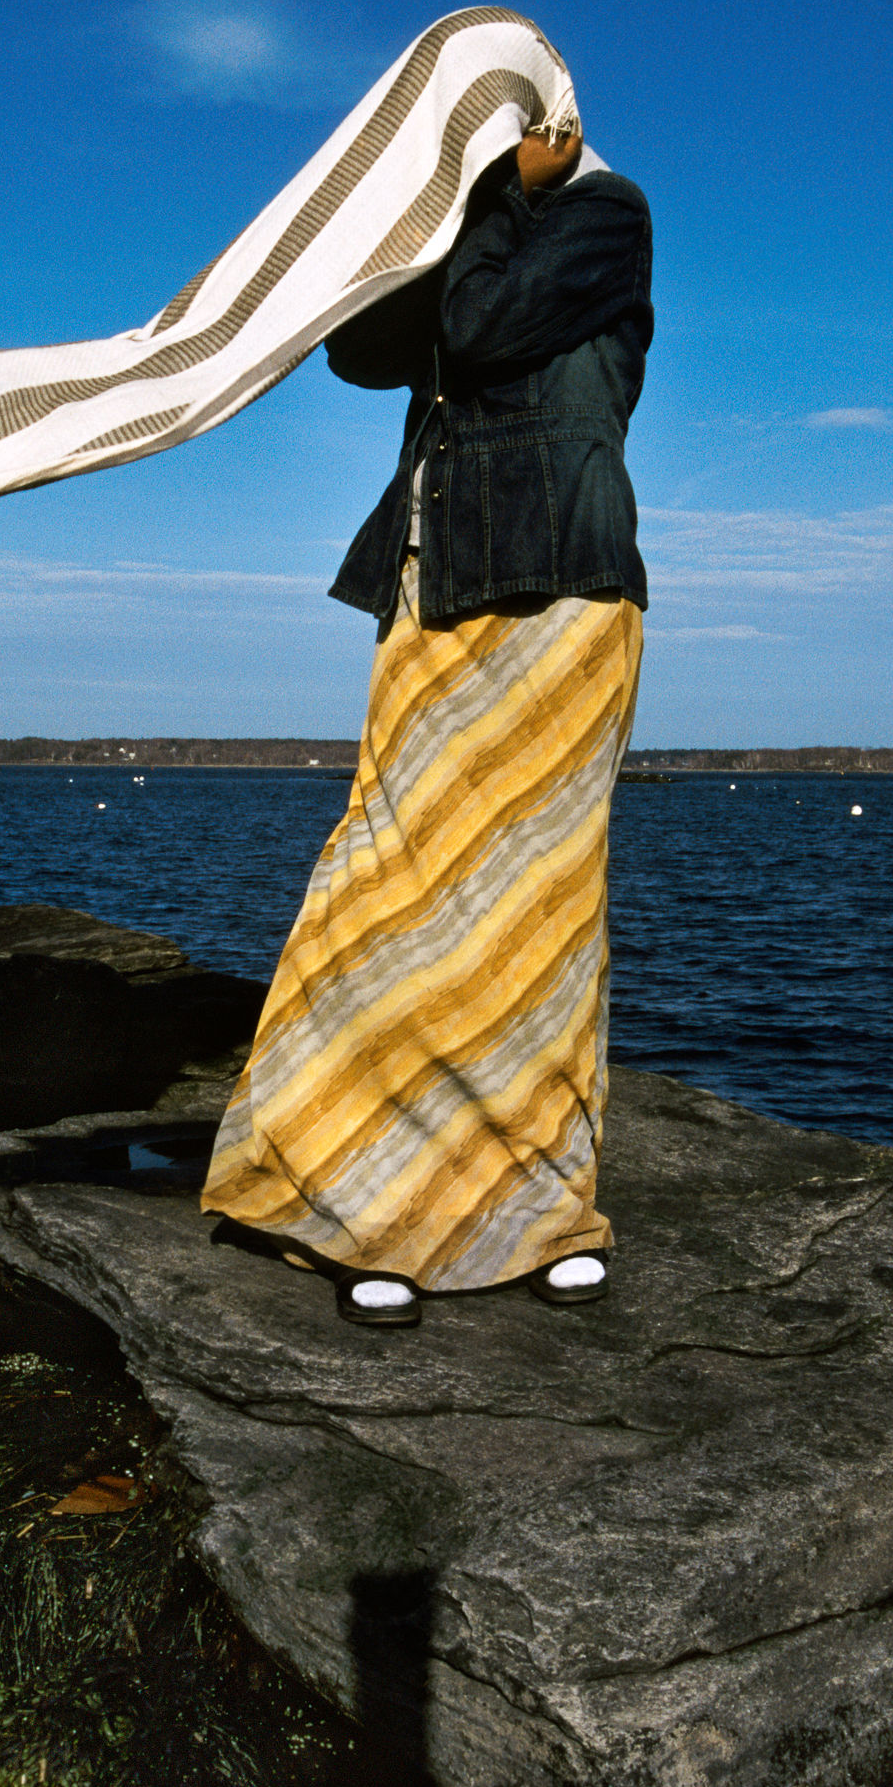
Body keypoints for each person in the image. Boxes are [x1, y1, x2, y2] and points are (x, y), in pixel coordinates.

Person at [199, 118, 655, 1327]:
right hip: (434, 579)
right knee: (393, 888)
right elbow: (364, 345)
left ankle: (535, 1209)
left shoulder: (608, 216)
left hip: (559, 580)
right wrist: (431, 213)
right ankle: (366, 1201)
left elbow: (484, 330)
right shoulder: (479, 236)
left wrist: (510, 199)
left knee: (538, 904)